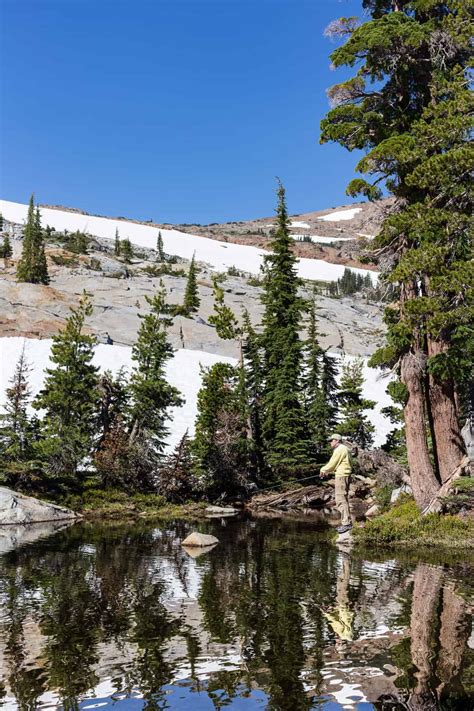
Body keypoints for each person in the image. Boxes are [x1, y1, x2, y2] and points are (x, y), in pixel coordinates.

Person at [320, 433, 352, 533]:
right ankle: (347, 522)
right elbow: (335, 465)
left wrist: (323, 470)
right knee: (343, 499)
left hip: (341, 476)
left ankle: (346, 524)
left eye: (331, 440)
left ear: (337, 440)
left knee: (340, 499)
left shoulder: (340, 449)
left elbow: (332, 463)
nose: (330, 442)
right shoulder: (344, 449)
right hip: (344, 475)